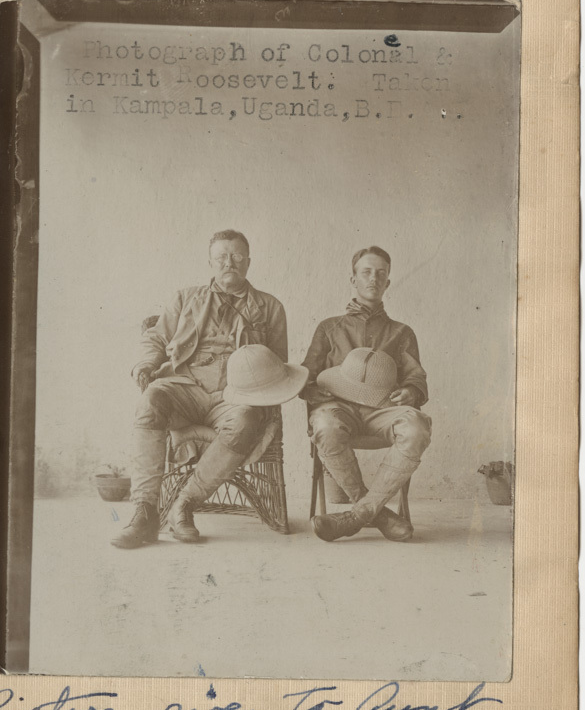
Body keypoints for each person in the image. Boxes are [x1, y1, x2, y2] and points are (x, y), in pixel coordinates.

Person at [113, 229, 288, 548]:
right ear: (210, 262)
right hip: (185, 387)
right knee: (151, 401)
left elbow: (279, 365)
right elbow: (156, 337)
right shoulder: (184, 298)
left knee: (248, 420)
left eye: (236, 256)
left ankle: (184, 505)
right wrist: (146, 363)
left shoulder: (270, 307)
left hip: (236, 397)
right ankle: (144, 513)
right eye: (221, 256)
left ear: (249, 261)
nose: (229, 263)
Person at [301, 245, 432, 542]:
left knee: (416, 427)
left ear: (387, 283)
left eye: (381, 274)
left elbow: (416, 376)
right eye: (366, 272)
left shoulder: (402, 332)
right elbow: (306, 376)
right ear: (353, 280)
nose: (373, 278)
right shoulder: (328, 328)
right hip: (339, 411)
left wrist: (411, 392)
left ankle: (355, 516)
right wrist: (323, 397)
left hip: (382, 412)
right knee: (325, 425)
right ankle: (376, 512)